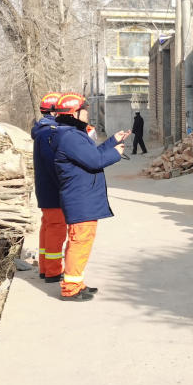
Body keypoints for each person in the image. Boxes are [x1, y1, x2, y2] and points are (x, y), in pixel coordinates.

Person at [52, 93, 129, 301]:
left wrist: (113, 141)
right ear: (74, 113)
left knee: (81, 242)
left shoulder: (72, 135)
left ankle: (77, 282)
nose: (88, 113)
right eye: (84, 110)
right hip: (80, 198)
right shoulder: (70, 137)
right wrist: (116, 153)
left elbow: (91, 155)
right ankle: (70, 289)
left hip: (82, 197)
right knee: (79, 242)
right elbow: (95, 162)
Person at [32, 92, 65, 282]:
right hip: (52, 190)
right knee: (56, 228)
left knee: (48, 227)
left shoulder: (42, 130)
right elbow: (52, 163)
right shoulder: (48, 133)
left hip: (46, 189)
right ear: (54, 111)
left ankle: (46, 268)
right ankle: (53, 271)